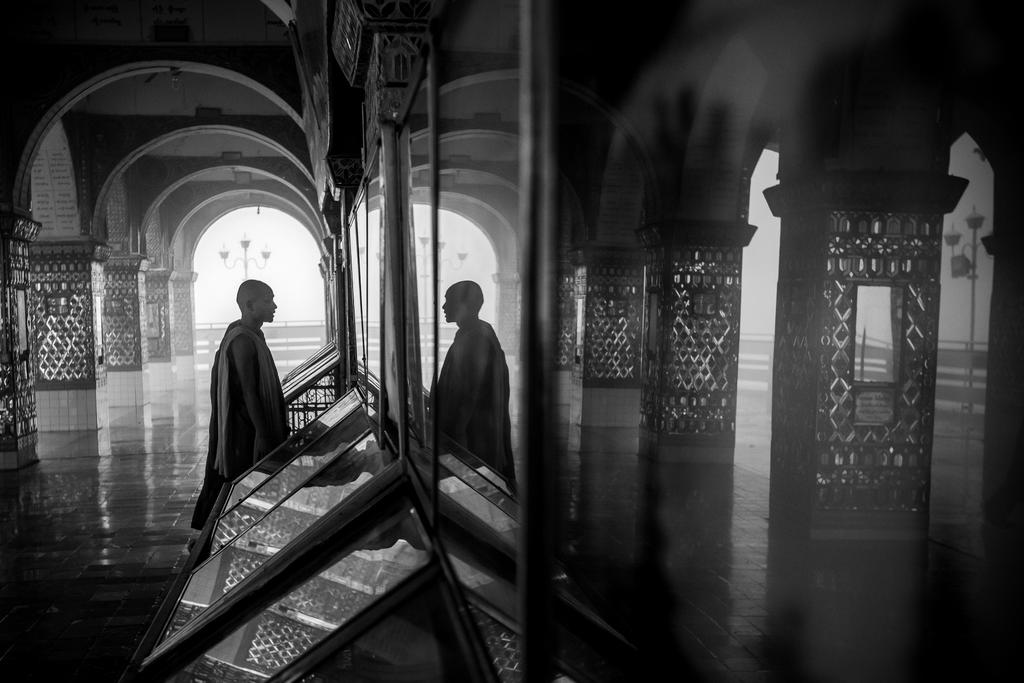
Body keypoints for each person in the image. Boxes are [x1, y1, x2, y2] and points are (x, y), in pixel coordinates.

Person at [191, 279, 289, 531]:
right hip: (243, 431)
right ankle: (216, 538)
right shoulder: (242, 341)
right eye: (268, 301)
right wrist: (264, 434)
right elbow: (249, 393)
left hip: (245, 427)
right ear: (249, 305)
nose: (274, 306)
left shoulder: (252, 335)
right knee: (238, 484)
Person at [433, 280, 517, 492]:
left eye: (448, 301)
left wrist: (454, 446)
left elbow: (466, 397)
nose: (443, 307)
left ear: (464, 305)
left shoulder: (475, 339)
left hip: (474, 445)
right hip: (476, 441)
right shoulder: (475, 333)